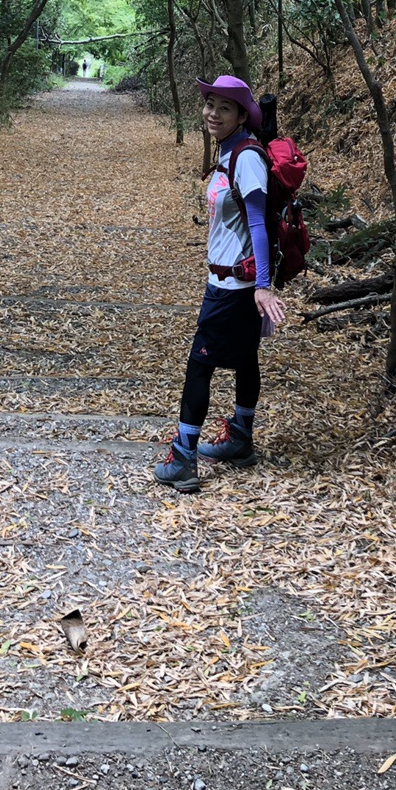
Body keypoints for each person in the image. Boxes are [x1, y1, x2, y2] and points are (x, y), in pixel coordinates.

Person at [154, 74, 287, 492]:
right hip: (232, 281)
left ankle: (183, 458)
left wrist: (263, 285)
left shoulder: (245, 158)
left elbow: (258, 223)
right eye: (210, 104)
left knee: (200, 365)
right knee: (246, 358)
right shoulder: (230, 151)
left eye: (224, 108)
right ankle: (241, 439)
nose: (213, 113)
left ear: (241, 116)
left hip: (235, 287)